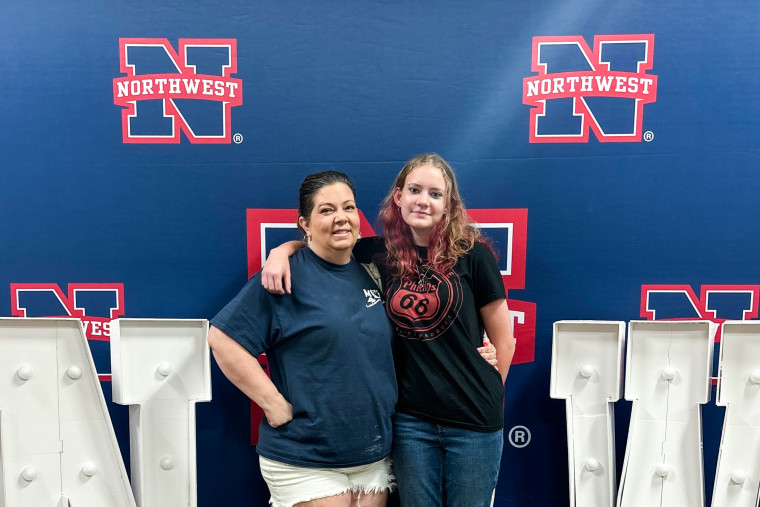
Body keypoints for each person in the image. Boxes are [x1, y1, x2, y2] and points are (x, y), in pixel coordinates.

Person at [263, 154, 515, 507]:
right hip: (411, 423)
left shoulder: (473, 255)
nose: (423, 200)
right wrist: (281, 251)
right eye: (414, 190)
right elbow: (320, 245)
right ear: (399, 197)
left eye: (435, 193)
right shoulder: (375, 253)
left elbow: (504, 340)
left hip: (473, 423)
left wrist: (485, 391)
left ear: (449, 204)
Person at [208, 171, 398, 507]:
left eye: (348, 208)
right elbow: (222, 339)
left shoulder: (373, 268)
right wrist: (272, 404)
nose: (341, 218)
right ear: (305, 224)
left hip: (373, 456)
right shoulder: (284, 276)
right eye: (326, 211)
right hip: (306, 458)